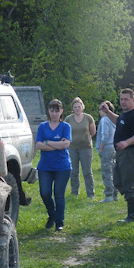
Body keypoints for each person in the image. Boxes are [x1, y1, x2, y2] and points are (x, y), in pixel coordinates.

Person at [99, 89, 134, 223]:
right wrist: (108, 112)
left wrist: (126, 143)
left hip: (131, 152)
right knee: (118, 182)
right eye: (121, 99)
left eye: (126, 99)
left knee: (128, 184)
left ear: (133, 100)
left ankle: (132, 215)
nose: (123, 102)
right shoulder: (125, 113)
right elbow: (118, 120)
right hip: (121, 152)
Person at [35, 99, 72, 231]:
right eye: (52, 110)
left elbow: (66, 144)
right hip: (45, 166)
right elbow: (39, 145)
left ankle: (59, 222)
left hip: (62, 166)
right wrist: (57, 145)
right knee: (45, 193)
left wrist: (47, 142)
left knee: (59, 194)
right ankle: (52, 214)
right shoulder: (42, 126)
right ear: (49, 111)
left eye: (57, 110)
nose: (54, 113)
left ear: (61, 111)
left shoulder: (65, 126)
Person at [66, 97, 97, 199]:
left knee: (87, 172)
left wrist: (85, 139)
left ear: (82, 107)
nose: (77, 108)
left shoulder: (88, 118)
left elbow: (93, 132)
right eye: (75, 107)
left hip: (86, 148)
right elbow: (65, 133)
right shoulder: (68, 119)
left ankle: (90, 194)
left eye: (79, 106)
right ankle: (74, 192)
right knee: (74, 171)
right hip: (72, 148)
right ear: (72, 108)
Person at [95, 101, 117, 202]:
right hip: (114, 147)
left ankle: (109, 195)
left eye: (100, 109)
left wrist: (100, 148)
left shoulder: (104, 120)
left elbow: (105, 135)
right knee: (114, 171)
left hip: (107, 148)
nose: (99, 112)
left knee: (107, 172)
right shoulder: (114, 119)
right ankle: (115, 194)